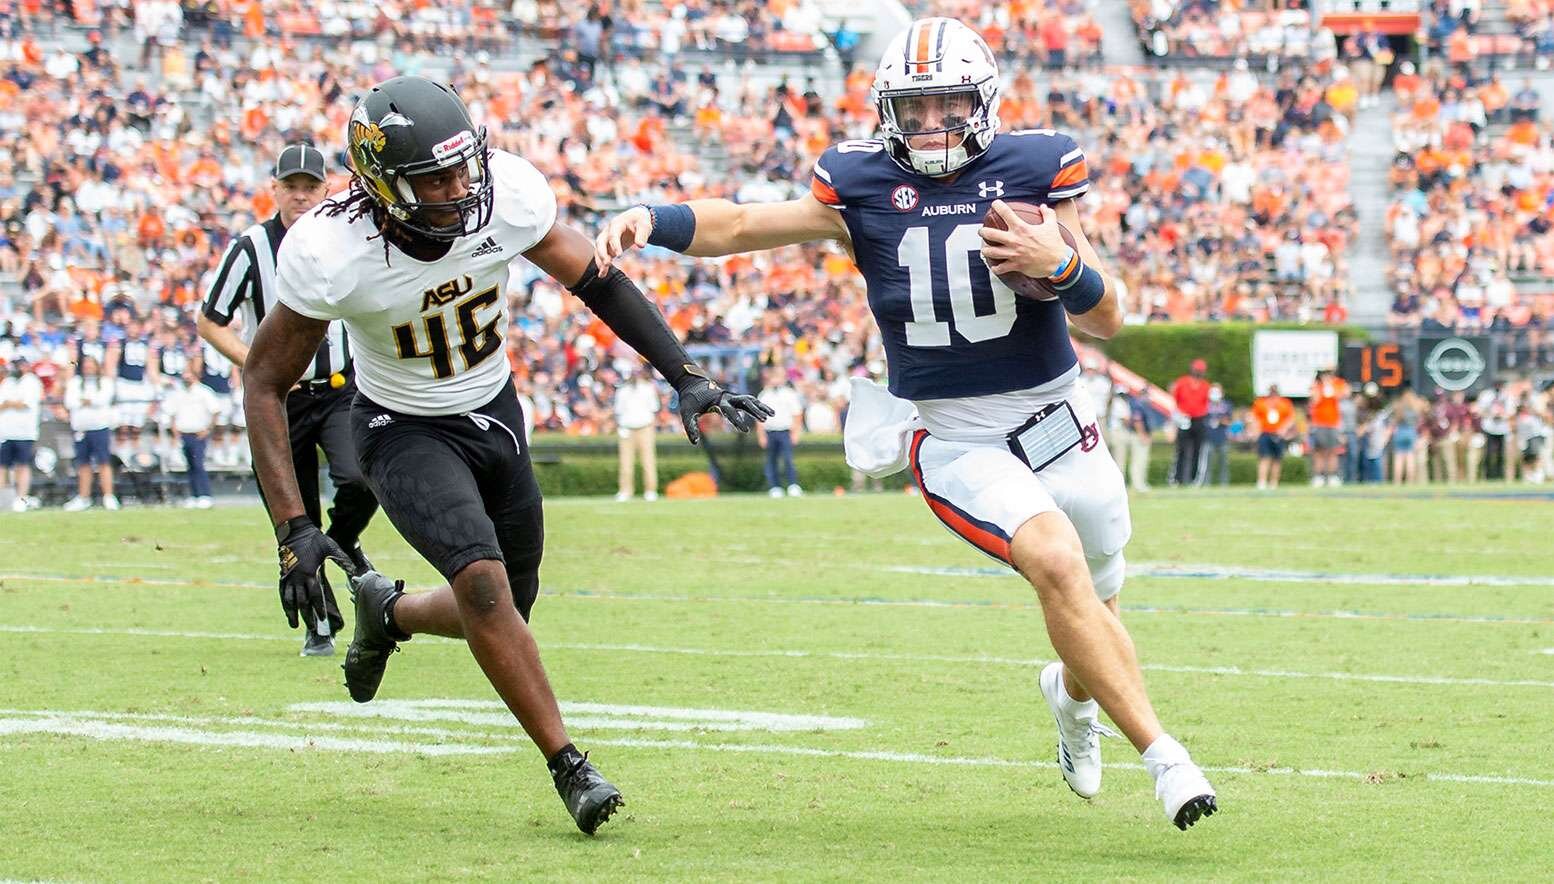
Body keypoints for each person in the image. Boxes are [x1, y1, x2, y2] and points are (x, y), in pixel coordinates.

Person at [594, 17, 1217, 830]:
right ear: (889, 110)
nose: (931, 126)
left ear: (982, 101)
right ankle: (1167, 760)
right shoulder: (858, 185)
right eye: (914, 109)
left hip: (1061, 418)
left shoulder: (1034, 170)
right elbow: (745, 225)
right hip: (957, 437)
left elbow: (1109, 320)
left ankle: (1070, 698)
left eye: (948, 104)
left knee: (1097, 599)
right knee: (1058, 564)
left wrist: (1062, 268)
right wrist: (654, 216)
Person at [245, 76, 771, 834]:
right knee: (485, 588)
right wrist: (293, 528)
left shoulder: (509, 194)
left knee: (507, 606)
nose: (463, 188)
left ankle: (386, 610)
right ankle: (571, 766)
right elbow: (264, 381)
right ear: (383, 184)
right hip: (401, 425)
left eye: (467, 167)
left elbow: (595, 277)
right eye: (438, 178)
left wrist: (684, 374)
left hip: (493, 410)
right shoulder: (331, 250)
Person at [200, 144, 381, 657]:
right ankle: (319, 622)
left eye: (310, 187)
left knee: (361, 476)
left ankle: (343, 539)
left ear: (328, 189)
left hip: (342, 390)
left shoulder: (347, 238)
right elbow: (211, 320)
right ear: (274, 189)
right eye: (291, 187)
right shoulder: (251, 247)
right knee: (293, 513)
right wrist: (254, 363)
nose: (301, 196)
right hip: (280, 398)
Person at [159, 367, 224, 508]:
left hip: (198, 434)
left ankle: (204, 494)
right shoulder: (178, 392)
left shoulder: (204, 392)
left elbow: (215, 411)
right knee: (189, 466)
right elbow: (172, 412)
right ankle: (194, 495)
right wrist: (175, 430)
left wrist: (207, 429)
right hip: (184, 433)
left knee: (198, 464)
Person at [63, 355, 118, 510]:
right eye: (85, 365)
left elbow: (103, 399)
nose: (88, 367)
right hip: (81, 428)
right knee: (83, 464)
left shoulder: (105, 382)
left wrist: (86, 401)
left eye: (90, 364)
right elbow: (70, 401)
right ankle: (83, 496)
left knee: (104, 462)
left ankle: (108, 496)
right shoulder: (75, 383)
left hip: (99, 427)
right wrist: (89, 401)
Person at [0, 357, 43, 512]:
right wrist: (12, 403)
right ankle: (4, 498)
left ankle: (21, 498)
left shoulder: (32, 382)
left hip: (25, 432)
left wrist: (9, 403)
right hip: (6, 431)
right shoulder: (7, 382)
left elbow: (26, 403)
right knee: (2, 466)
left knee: (22, 466)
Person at [612, 364, 660, 501]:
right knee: (625, 463)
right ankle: (625, 491)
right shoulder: (622, 391)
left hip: (645, 427)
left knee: (648, 461)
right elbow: (618, 411)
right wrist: (621, 427)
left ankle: (650, 491)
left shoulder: (648, 388)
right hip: (627, 428)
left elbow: (653, 409)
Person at [757, 366, 805, 497]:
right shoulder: (764, 395)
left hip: (785, 431)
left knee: (788, 459)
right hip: (770, 432)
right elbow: (759, 418)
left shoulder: (789, 394)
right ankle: (775, 487)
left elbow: (797, 414)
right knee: (771, 461)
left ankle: (792, 485)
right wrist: (761, 436)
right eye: (773, 377)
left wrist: (796, 432)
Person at [1169, 359, 1211, 486]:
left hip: (1199, 419)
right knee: (1181, 449)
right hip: (1184, 418)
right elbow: (1175, 401)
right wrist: (1177, 418)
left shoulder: (1205, 385)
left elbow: (1206, 404)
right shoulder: (1182, 382)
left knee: (1197, 450)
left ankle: (1194, 479)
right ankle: (1178, 478)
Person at [1307, 369, 1349, 486]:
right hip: (1319, 424)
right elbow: (1314, 399)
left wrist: (1331, 386)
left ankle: (1332, 476)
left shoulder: (1337, 384)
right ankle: (1318, 476)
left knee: (1333, 451)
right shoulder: (1317, 387)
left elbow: (1345, 393)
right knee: (1319, 452)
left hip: (1333, 424)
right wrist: (1323, 386)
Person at [1251, 385, 1295, 490]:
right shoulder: (1260, 403)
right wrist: (1255, 431)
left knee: (1277, 459)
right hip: (1265, 433)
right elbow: (1255, 418)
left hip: (1278, 434)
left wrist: (1284, 429)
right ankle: (1262, 481)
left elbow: (1290, 418)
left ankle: (1274, 482)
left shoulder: (1285, 403)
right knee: (1264, 458)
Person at [1199, 383, 1231, 486]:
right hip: (1208, 437)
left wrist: (1220, 421)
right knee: (1207, 463)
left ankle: (1224, 483)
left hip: (1222, 437)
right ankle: (1206, 483)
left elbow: (1228, 420)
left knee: (1223, 463)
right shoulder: (1205, 405)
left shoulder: (1226, 405)